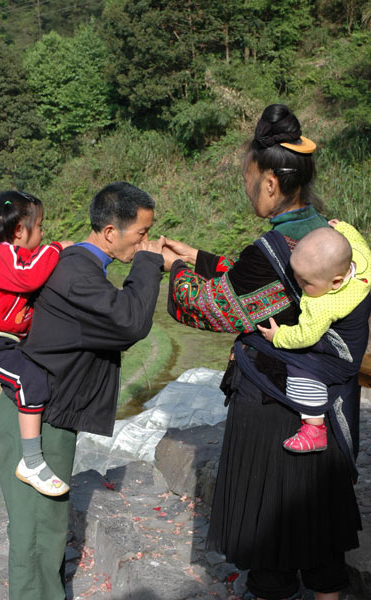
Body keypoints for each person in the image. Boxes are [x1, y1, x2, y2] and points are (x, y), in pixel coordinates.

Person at [163, 104, 370, 600]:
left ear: (271, 185)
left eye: (248, 178)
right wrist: (201, 258)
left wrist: (172, 269)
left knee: (273, 546)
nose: (246, 187)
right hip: (325, 403)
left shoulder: (270, 251)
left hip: (277, 411)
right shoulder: (328, 232)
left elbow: (213, 310)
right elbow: (261, 280)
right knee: (321, 545)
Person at [0, 181, 165, 600]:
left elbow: (114, 330)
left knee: (46, 527)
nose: (145, 241)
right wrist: (147, 264)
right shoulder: (76, 274)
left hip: (49, 413)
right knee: (37, 534)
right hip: (37, 419)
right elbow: (129, 322)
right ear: (109, 232)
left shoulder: (81, 268)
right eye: (140, 234)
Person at [0, 190, 72, 495]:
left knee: (29, 379)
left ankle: (22, 410)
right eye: (40, 226)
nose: (43, 234)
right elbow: (29, 278)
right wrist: (56, 248)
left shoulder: (20, 255)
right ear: (18, 231)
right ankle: (32, 461)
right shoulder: (5, 254)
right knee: (30, 380)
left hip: (4, 341)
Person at [258, 221, 371, 454]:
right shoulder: (363, 260)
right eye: (296, 276)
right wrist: (343, 227)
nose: (299, 284)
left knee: (301, 368)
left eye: (306, 282)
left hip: (342, 357)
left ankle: (314, 428)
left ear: (336, 282)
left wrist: (278, 336)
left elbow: (304, 336)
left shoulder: (323, 305)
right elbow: (357, 240)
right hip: (358, 341)